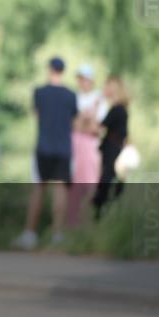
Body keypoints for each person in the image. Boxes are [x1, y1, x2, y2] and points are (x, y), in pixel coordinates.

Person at [14, 57, 77, 250]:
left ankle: (30, 233)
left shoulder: (39, 93)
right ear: (63, 71)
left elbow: (37, 114)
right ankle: (57, 233)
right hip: (64, 148)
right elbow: (73, 119)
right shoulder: (70, 95)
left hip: (44, 147)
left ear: (49, 70)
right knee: (60, 190)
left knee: (39, 189)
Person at [67, 64, 105, 227]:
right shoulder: (73, 98)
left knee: (90, 183)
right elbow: (72, 124)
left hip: (89, 145)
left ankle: (89, 223)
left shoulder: (99, 98)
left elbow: (96, 128)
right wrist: (85, 119)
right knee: (73, 184)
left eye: (86, 79)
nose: (83, 82)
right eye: (80, 79)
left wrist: (82, 121)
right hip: (74, 144)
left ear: (92, 81)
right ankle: (72, 225)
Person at [93, 75, 129, 219]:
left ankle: (100, 210)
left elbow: (98, 127)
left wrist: (96, 106)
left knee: (107, 180)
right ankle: (103, 208)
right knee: (111, 179)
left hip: (112, 148)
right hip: (115, 147)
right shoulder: (121, 109)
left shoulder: (117, 109)